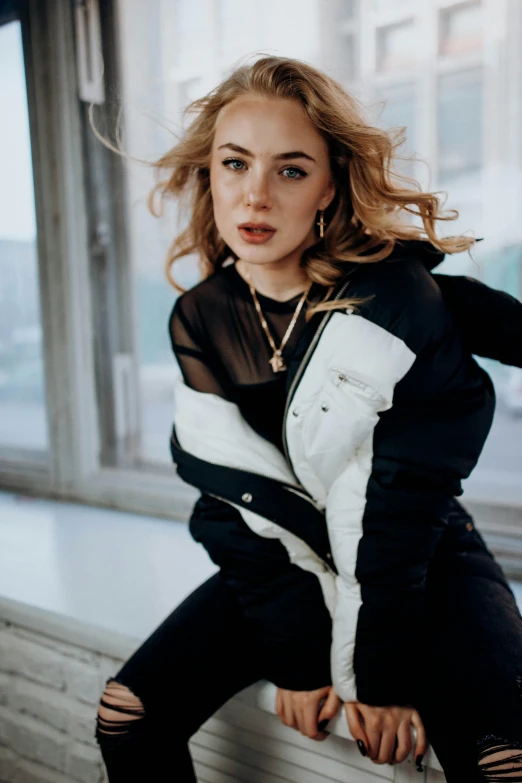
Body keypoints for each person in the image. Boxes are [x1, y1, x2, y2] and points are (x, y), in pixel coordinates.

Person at [94, 55, 522, 782]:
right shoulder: (201, 317)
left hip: (418, 551)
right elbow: (231, 501)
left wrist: (378, 674)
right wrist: (296, 656)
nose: (255, 194)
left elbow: (401, 498)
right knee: (125, 714)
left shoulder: (396, 300)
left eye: (290, 169)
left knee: (504, 760)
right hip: (284, 553)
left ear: (329, 184)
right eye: (235, 164)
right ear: (211, 173)